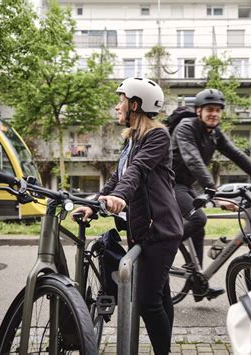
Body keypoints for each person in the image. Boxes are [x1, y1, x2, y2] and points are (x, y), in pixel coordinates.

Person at [72, 77, 183, 355]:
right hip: (142, 231)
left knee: (147, 301)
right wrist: (94, 205)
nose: (117, 106)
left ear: (135, 105)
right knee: (159, 294)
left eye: (121, 100)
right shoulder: (131, 140)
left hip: (160, 230)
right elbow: (116, 178)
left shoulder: (157, 136)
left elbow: (138, 171)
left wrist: (121, 196)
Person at [170, 88, 251, 301]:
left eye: (218, 110)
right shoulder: (186, 128)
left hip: (186, 184)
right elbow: (193, 160)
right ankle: (159, 250)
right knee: (198, 218)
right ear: (198, 111)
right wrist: (215, 193)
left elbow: (237, 155)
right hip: (168, 183)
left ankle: (198, 281)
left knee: (197, 230)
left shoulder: (214, 133)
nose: (214, 114)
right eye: (210, 109)